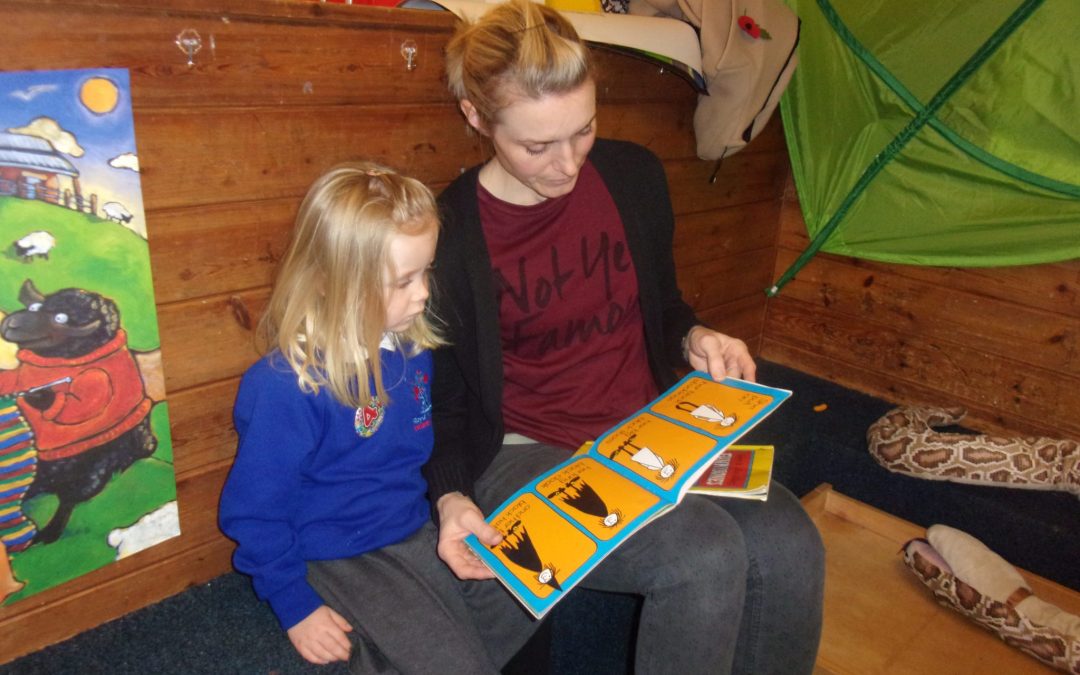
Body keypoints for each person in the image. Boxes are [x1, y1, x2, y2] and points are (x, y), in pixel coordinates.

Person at [425, 1, 826, 672]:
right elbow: (443, 400)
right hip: (524, 449)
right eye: (536, 146)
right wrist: (449, 493)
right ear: (476, 117)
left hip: (645, 432)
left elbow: (663, 306)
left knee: (791, 543)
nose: (566, 164)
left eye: (582, 130)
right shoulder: (451, 234)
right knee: (701, 556)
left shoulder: (632, 175)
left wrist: (693, 336)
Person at [218, 162, 529, 673]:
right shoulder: (285, 386)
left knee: (527, 591)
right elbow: (254, 510)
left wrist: (447, 508)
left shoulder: (411, 350)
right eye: (403, 281)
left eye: (425, 271)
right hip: (340, 551)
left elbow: (416, 454)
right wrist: (294, 605)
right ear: (331, 282)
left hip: (410, 526)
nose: (424, 293)